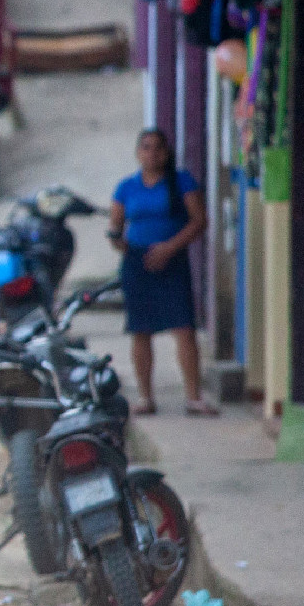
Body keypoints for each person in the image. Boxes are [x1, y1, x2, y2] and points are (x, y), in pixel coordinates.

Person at [106, 129, 210, 416]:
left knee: (184, 328)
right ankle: (146, 397)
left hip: (173, 258)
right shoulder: (126, 187)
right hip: (138, 262)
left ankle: (193, 396)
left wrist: (169, 248)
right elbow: (116, 225)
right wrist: (122, 244)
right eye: (146, 148)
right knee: (141, 331)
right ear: (138, 152)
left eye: (158, 149)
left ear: (166, 153)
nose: (152, 154)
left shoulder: (181, 183)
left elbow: (199, 221)